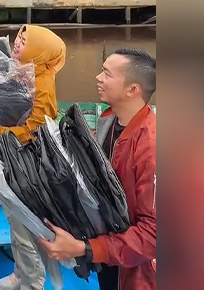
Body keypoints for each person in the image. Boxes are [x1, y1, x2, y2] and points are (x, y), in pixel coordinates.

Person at [37, 48, 156, 290]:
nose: (98, 78)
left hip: (140, 272)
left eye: (107, 74)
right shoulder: (109, 120)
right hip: (110, 254)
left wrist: (85, 248)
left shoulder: (152, 147)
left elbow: (154, 235)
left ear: (132, 90)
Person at [0, 25, 66, 290]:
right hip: (14, 158)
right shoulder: (28, 70)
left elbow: (33, 132)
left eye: (25, 41)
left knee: (24, 224)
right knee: (13, 218)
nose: (18, 44)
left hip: (29, 165)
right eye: (19, 38)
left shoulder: (42, 84)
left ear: (39, 50)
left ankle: (32, 283)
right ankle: (20, 274)